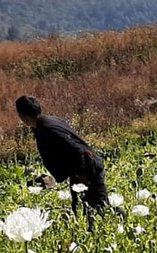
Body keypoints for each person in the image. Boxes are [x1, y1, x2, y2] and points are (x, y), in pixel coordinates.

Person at [16, 96, 109, 226]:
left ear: (23, 117)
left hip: (87, 170)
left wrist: (82, 176)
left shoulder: (48, 130)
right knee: (82, 209)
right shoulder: (48, 123)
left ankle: (123, 227)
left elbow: (77, 151)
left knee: (99, 209)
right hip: (80, 170)